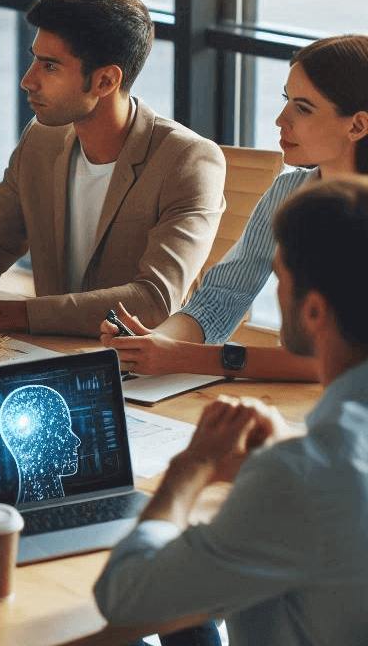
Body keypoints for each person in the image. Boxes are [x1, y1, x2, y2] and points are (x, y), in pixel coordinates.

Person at [94, 175, 368, 646]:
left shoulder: (302, 476)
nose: (277, 292)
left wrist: (190, 466)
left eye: (280, 279)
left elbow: (124, 597)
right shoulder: (326, 455)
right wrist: (290, 446)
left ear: (316, 312)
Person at [0, 0, 226, 336]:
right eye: (35, 58)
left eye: (50, 66)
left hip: (138, 371)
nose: (28, 80)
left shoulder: (189, 161)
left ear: (104, 80)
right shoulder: (42, 139)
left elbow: (154, 301)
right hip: (47, 353)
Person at [101, 34, 368, 380]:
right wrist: (151, 345)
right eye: (287, 100)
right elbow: (223, 296)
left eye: (303, 107)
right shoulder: (288, 191)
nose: (280, 120)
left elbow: (345, 359)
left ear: (358, 124)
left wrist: (184, 357)